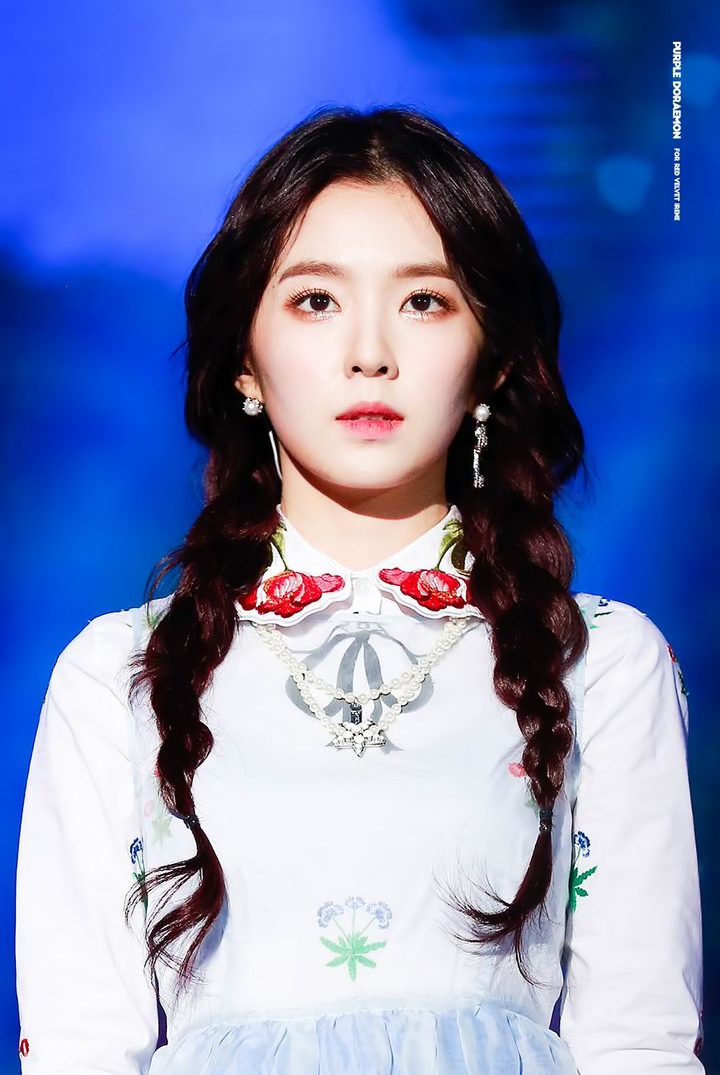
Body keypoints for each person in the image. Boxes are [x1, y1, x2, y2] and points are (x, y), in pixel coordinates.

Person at [15, 105, 704, 1073]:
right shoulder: (116, 675)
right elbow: (77, 1050)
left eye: (424, 301)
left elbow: (641, 1043)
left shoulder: (601, 663)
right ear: (244, 360)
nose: (369, 352)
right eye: (315, 301)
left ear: (493, 360)